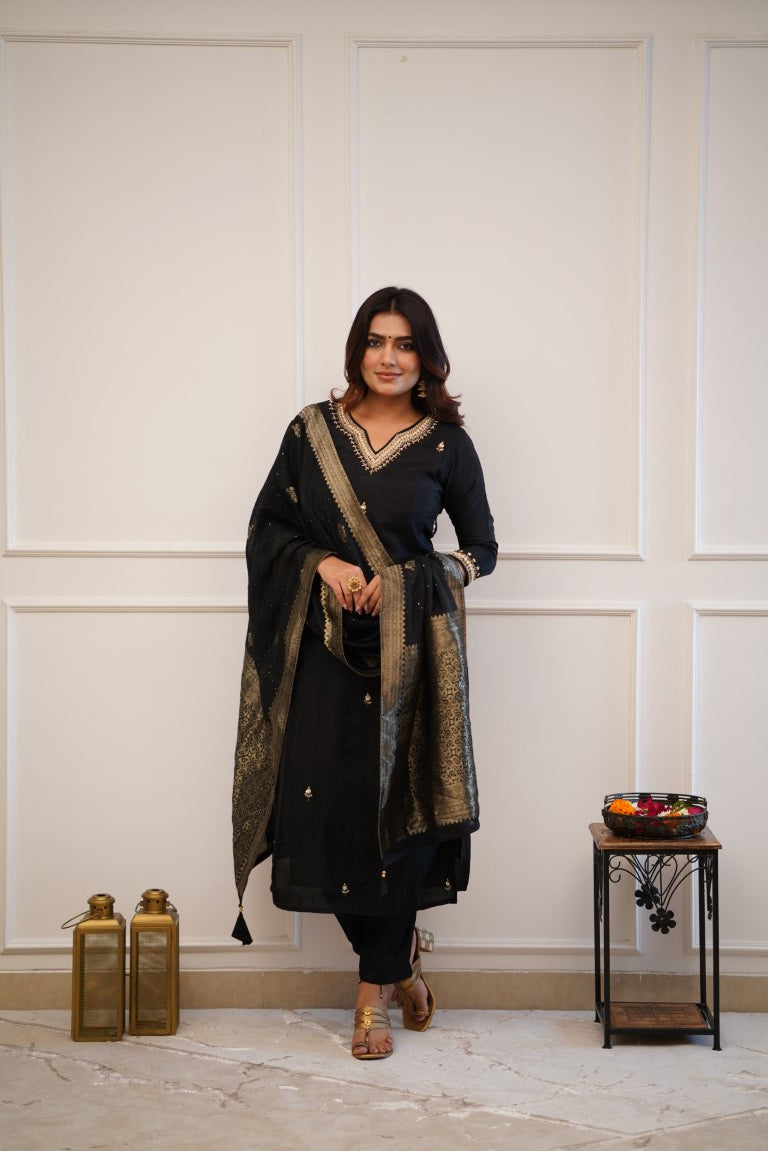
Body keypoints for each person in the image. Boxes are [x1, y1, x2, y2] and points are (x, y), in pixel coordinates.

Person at [232, 286, 496, 1059]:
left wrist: (418, 577)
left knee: (398, 819)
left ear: (427, 357)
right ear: (357, 351)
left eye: (405, 343)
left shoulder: (446, 446)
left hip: (409, 661)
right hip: (322, 655)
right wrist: (323, 562)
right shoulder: (311, 432)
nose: (389, 357)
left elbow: (481, 549)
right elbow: (266, 528)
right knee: (321, 813)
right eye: (376, 341)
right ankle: (402, 965)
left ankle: (370, 997)